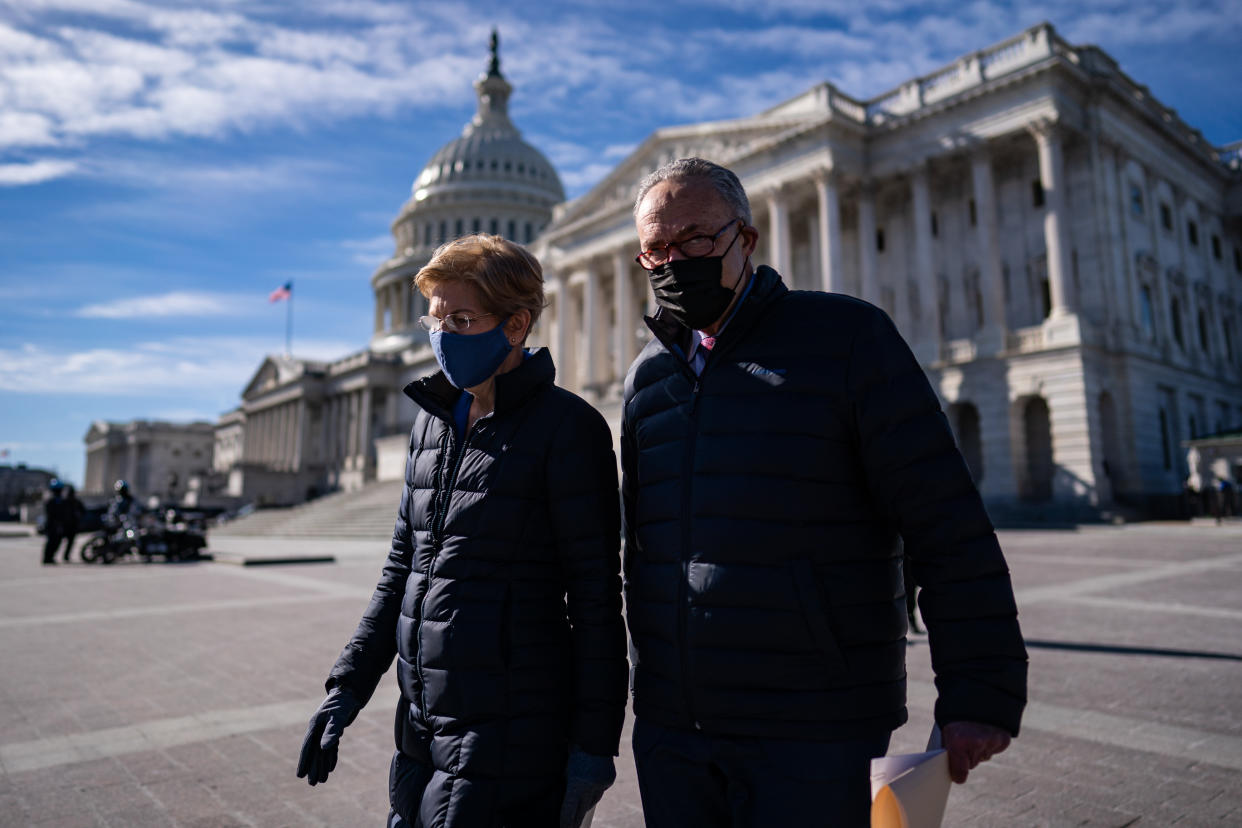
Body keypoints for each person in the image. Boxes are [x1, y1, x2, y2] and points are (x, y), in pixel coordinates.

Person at [620, 158, 1028, 826]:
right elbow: (641, 549)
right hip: (675, 726)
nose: (674, 261)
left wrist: (979, 690)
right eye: (656, 249)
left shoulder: (846, 338)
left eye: (695, 239)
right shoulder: (646, 380)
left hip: (813, 719)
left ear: (745, 239)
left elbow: (943, 519)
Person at [297, 235, 628, 828]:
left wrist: (593, 751)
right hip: (421, 717)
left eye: (464, 318)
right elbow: (402, 573)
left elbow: (597, 602)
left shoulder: (568, 429)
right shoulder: (430, 427)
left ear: (516, 324)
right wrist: (346, 686)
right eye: (437, 317)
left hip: (512, 724)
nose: (443, 333)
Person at [41, 479, 69, 565]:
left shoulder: (60, 500)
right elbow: (52, 514)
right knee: (51, 542)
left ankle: (50, 557)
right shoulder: (51, 500)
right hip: (52, 525)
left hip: (57, 525)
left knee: (56, 541)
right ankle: (47, 558)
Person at [60, 484, 84, 562]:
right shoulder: (63, 501)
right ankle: (64, 556)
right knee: (60, 541)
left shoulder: (75, 502)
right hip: (65, 525)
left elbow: (83, 511)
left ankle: (66, 556)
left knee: (69, 542)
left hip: (72, 525)